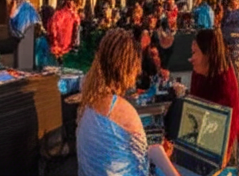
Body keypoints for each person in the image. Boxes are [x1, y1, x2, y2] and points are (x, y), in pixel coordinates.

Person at [75, 29, 178, 176]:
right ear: (129, 68)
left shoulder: (89, 104)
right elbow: (142, 166)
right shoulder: (123, 111)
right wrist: (161, 154)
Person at [187, 29, 239, 159]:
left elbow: (226, 136)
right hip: (198, 139)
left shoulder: (225, 86)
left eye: (194, 53)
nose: (190, 59)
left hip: (217, 149)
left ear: (208, 55)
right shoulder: (199, 73)